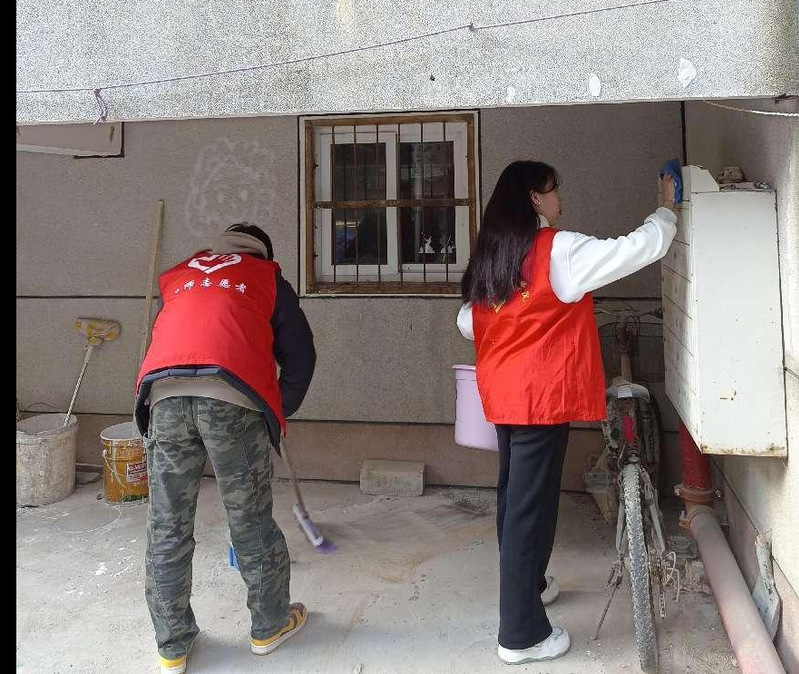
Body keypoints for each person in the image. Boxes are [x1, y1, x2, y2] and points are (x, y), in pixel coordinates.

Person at [457, 161, 676, 665]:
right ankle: (521, 634)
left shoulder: (494, 256)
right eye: (554, 191)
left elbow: (467, 322)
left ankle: (531, 585)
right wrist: (666, 212)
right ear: (535, 198)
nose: (561, 199)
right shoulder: (557, 250)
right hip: (540, 397)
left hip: (505, 397)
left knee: (516, 500)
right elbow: (635, 249)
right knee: (527, 510)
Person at [134, 222, 316, 674]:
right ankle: (270, 626)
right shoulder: (267, 277)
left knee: (167, 525)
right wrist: (277, 410)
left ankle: (171, 646)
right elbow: (301, 356)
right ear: (264, 254)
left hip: (164, 398)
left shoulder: (179, 275)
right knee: (250, 519)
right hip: (231, 400)